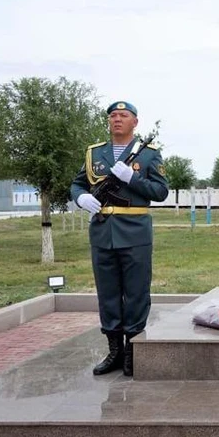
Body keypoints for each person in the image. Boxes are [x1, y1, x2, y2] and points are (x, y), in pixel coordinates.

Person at [70, 101, 169, 376]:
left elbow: (161, 192)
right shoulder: (94, 153)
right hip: (102, 230)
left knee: (136, 292)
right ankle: (114, 350)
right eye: (113, 115)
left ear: (135, 122)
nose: (117, 119)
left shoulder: (148, 155)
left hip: (135, 229)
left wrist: (132, 178)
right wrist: (81, 197)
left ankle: (132, 351)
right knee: (108, 292)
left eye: (123, 115)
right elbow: (77, 183)